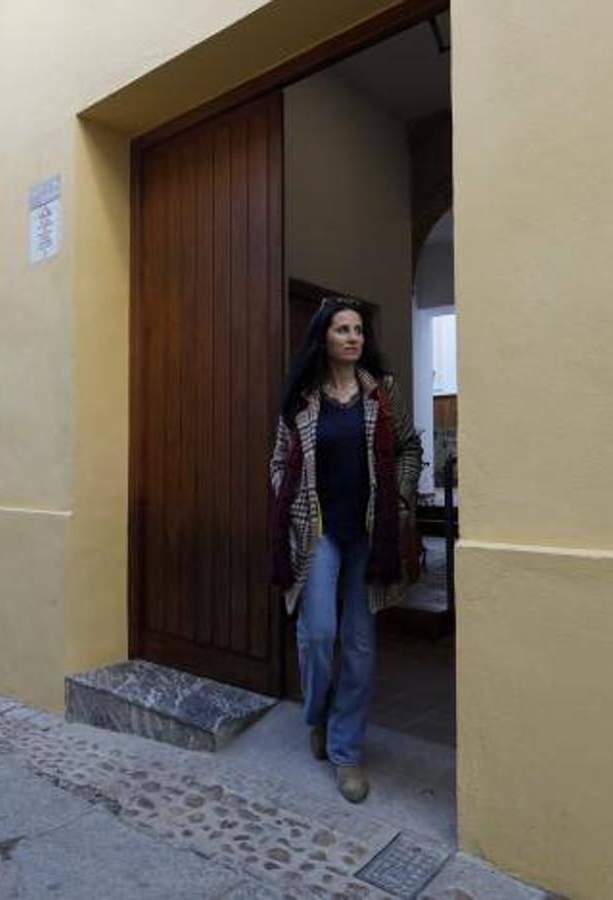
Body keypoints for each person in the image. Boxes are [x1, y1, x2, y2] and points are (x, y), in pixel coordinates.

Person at [269, 296, 422, 804]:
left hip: (369, 535)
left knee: (358, 645)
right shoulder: (302, 400)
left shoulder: (383, 394)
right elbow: (278, 461)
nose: (354, 337)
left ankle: (346, 750)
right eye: (343, 330)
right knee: (317, 635)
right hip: (318, 532)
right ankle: (317, 714)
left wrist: (400, 494)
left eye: (358, 329)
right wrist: (286, 502)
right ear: (323, 338)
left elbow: (409, 447)